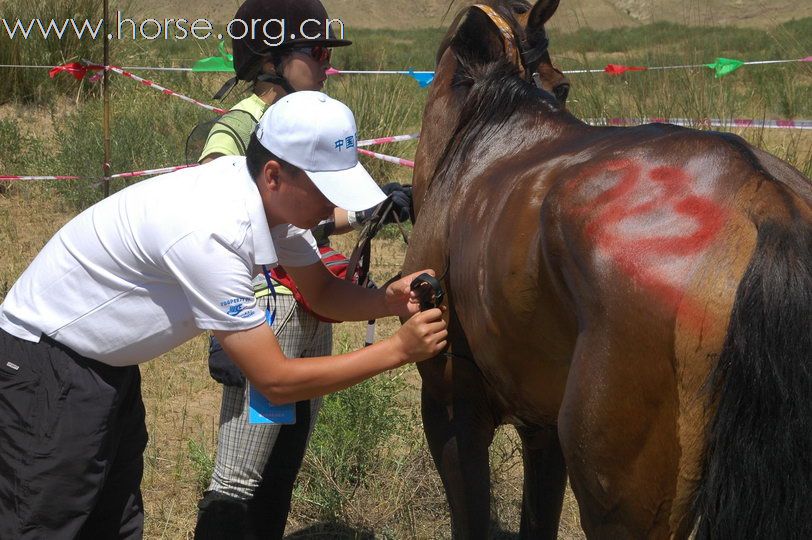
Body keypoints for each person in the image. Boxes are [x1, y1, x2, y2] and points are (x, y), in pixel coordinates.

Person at [0, 90, 447, 539]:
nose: (330, 205)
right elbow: (273, 378)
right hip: (48, 364)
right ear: (274, 175)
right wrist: (398, 350)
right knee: (45, 522)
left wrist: (386, 301)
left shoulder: (266, 199)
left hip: (102, 366)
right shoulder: (213, 229)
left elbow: (323, 291)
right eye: (326, 190)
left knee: (114, 522)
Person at [191, 1, 412, 537]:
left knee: (283, 467)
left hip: (308, 301)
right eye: (315, 52)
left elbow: (300, 223)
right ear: (271, 57)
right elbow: (227, 219)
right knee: (239, 482)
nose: (325, 65)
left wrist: (374, 206)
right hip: (265, 312)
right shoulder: (239, 127)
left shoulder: (307, 125)